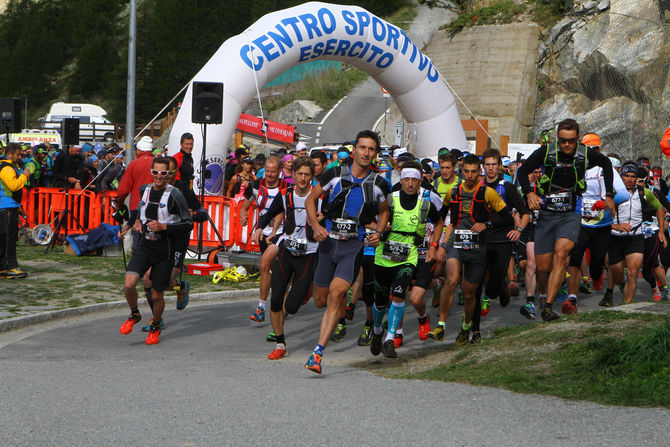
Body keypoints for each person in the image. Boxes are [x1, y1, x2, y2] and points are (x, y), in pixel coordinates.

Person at [303, 130, 390, 374]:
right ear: (355, 150)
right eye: (362, 147)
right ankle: (337, 320)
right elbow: (311, 201)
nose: (366, 153)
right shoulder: (334, 173)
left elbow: (385, 211)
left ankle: (317, 354)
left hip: (353, 247)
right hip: (328, 244)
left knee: (336, 293)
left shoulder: (379, 183)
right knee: (320, 300)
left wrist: (379, 233)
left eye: (371, 149)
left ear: (375, 154)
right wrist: (316, 225)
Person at [517, 118, 615, 321]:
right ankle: (543, 297)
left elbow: (606, 164)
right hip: (547, 213)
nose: (567, 145)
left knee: (561, 254)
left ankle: (548, 308)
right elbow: (522, 170)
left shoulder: (585, 153)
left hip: (571, 212)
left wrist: (609, 195)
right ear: (557, 139)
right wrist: (529, 193)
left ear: (577, 139)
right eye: (563, 141)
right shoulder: (546, 152)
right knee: (543, 268)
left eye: (571, 141)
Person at [428, 154, 512, 344]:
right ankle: (440, 325)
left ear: (479, 172)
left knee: (468, 292)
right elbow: (441, 215)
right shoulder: (454, 192)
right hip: (456, 242)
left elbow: (506, 218)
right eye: (466, 171)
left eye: (474, 171)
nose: (470, 175)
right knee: (451, 280)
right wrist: (438, 243)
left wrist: (486, 224)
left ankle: (467, 327)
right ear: (461, 170)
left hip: (477, 246)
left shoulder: (488, 192)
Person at [370, 161, 444, 358]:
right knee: (380, 301)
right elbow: (368, 218)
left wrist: (434, 246)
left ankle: (390, 339)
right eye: (407, 179)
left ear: (420, 182)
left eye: (414, 180)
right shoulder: (389, 199)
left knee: (399, 295)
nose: (410, 184)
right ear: (401, 180)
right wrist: (378, 229)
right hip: (384, 255)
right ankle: (377, 331)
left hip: (408, 256)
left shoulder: (425, 203)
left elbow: (439, 223)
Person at [117, 157, 193, 344]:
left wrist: (165, 227)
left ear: (169, 175)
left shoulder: (175, 195)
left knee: (157, 293)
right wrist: (128, 226)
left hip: (164, 250)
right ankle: (135, 314)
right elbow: (137, 211)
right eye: (156, 173)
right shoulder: (145, 190)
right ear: (151, 172)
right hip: (145, 246)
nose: (159, 177)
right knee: (129, 284)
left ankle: (157, 324)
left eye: (164, 173)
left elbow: (188, 224)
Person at [253, 156, 320, 359]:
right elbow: (269, 213)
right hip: (287, 250)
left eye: (307, 175)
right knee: (276, 300)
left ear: (312, 177)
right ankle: (280, 344)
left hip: (309, 252)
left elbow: (331, 214)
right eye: (299, 174)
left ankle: (306, 288)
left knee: (291, 306)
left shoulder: (317, 196)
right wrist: (259, 228)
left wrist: (322, 218)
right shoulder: (285, 194)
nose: (302, 178)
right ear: (292, 175)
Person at [565, 133, 627, 313]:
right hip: (581, 222)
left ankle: (597, 276)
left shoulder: (605, 168)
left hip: (601, 224)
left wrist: (606, 200)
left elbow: (622, 194)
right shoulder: (576, 167)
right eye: (587, 150)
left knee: (596, 267)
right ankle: (572, 299)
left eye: (593, 150)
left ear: (599, 150)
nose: (590, 153)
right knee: (574, 260)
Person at [477, 149, 530, 324]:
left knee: (496, 278)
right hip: (483, 237)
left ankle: (498, 288)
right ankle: (487, 296)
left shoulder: (507, 187)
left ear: (499, 166)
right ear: (483, 167)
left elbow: (525, 212)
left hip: (503, 238)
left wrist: (519, 230)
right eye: (487, 165)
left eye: (494, 165)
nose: (490, 169)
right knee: (483, 272)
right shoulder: (478, 186)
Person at [606, 162, 666, 305]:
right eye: (626, 176)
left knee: (633, 272)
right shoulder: (612, 193)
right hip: (616, 237)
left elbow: (659, 208)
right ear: (621, 177)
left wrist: (662, 231)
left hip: (636, 236)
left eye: (633, 176)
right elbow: (600, 216)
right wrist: (616, 226)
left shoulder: (643, 192)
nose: (629, 179)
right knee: (618, 276)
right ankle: (622, 281)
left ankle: (627, 306)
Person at [240, 156, 288, 323]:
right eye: (267, 170)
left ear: (279, 171)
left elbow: (282, 211)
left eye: (273, 171)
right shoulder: (255, 185)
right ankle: (270, 305)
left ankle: (264, 307)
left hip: (281, 233)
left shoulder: (286, 187)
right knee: (269, 269)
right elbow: (245, 206)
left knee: (265, 265)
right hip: (262, 233)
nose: (269, 174)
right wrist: (243, 216)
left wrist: (276, 230)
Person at [0, 143, 30, 279]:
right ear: (10, 154)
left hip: (8, 206)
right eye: (18, 154)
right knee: (9, 238)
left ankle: (3, 267)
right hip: (6, 207)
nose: (20, 157)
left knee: (4, 239)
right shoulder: (6, 168)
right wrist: (24, 176)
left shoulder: (7, 166)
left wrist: (18, 207)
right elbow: (13, 186)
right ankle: (10, 267)